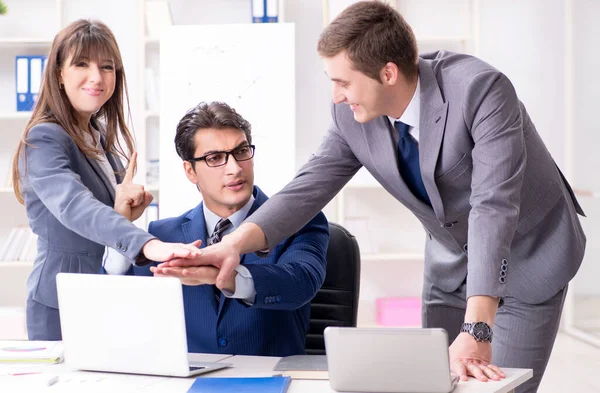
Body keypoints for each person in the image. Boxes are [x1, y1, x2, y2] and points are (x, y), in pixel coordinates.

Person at [155, 2, 586, 392]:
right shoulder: (351, 116)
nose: (336, 95)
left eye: (343, 81)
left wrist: (478, 327)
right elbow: (307, 189)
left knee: (494, 388)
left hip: (531, 256)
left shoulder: (481, 90)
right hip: (451, 263)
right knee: (436, 385)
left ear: (388, 73)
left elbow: (493, 207)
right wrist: (232, 245)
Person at [12, 19, 200, 341]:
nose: (96, 77)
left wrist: (122, 211)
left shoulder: (97, 137)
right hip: (59, 303)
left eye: (107, 66)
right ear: (59, 73)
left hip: (101, 295)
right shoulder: (44, 138)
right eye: (82, 64)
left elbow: (102, 219)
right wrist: (148, 245)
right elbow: (75, 206)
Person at [105, 101, 329, 356]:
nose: (234, 168)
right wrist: (119, 227)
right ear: (190, 171)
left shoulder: (300, 219)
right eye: (215, 158)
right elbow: (119, 309)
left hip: (269, 381)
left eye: (242, 151)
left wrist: (226, 277)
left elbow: (299, 283)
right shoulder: (162, 236)